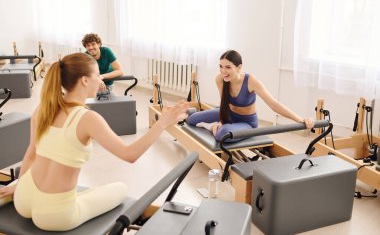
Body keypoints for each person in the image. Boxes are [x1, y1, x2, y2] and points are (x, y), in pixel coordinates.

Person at [0, 53, 189, 231]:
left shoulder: (44, 107)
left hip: (23, 197)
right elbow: (129, 154)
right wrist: (162, 123)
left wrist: (18, 184)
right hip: (54, 215)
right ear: (84, 80)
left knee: (89, 193)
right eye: (98, 75)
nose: (100, 81)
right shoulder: (87, 118)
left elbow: (31, 152)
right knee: (120, 189)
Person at [187, 50, 314, 142]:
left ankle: (213, 126)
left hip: (247, 123)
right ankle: (218, 124)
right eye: (220, 66)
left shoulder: (251, 82)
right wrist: (221, 120)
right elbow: (224, 103)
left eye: (228, 67)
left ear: (239, 67)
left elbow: (274, 105)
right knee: (191, 120)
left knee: (224, 133)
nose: (223, 71)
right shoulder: (220, 79)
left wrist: (299, 119)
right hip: (228, 114)